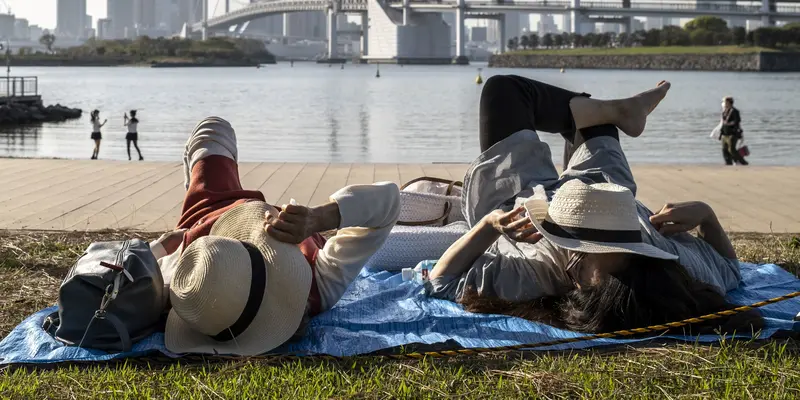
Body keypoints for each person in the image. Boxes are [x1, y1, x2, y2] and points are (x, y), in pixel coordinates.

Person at [427, 75, 761, 334]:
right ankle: (620, 112)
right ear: (643, 257)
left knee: (504, 92)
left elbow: (441, 282)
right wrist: (706, 215)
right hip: (606, 192)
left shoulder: (538, 274)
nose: (575, 260)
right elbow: (731, 271)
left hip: (526, 198)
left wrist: (490, 226)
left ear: (580, 287)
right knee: (592, 118)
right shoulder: (675, 268)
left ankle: (618, 111)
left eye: (581, 258)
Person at [147, 117, 400, 356]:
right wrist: (318, 218)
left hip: (203, 224)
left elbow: (127, 268)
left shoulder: (183, 280)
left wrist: (161, 247)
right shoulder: (320, 285)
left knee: (212, 128)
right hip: (216, 230)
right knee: (214, 132)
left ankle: (190, 188)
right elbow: (388, 200)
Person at [720, 96, 748, 166]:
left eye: (725, 102)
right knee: (724, 150)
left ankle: (743, 162)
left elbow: (737, 121)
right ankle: (728, 163)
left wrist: (729, 123)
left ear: (729, 102)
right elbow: (723, 121)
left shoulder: (735, 111)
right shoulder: (725, 111)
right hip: (725, 133)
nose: (724, 103)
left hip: (732, 134)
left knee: (731, 149)